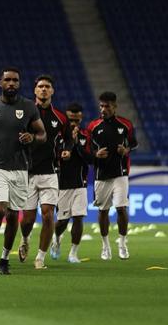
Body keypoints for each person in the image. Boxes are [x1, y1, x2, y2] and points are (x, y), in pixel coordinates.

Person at [0, 68, 46, 275]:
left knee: (13, 215)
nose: (11, 83)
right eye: (8, 80)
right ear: (0, 83)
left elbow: (42, 134)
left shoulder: (29, 106)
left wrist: (32, 138)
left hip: (20, 167)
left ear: (19, 83)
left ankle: (5, 258)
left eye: (15, 80)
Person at [18, 75, 67, 270]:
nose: (44, 89)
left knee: (48, 215)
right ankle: (25, 239)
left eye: (47, 86)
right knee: (28, 219)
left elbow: (69, 139)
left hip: (50, 172)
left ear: (52, 91)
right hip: (28, 173)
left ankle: (40, 257)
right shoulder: (25, 113)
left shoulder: (60, 117)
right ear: (35, 90)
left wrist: (67, 150)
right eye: (40, 86)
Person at [87, 91, 137, 260]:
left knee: (121, 208)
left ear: (114, 107)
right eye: (101, 106)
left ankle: (122, 243)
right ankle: (105, 246)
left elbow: (134, 143)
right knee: (103, 211)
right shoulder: (93, 126)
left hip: (120, 174)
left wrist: (126, 150)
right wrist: (96, 154)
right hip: (101, 175)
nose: (103, 109)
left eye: (107, 106)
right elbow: (86, 149)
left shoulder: (126, 124)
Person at [53, 102, 93, 263]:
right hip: (62, 184)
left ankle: (73, 253)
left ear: (81, 118)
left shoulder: (86, 137)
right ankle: (56, 239)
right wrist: (62, 154)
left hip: (80, 183)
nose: (74, 123)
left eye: (77, 120)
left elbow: (91, 159)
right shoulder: (58, 136)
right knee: (62, 221)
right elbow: (52, 155)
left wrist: (76, 145)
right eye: (71, 120)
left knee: (78, 218)